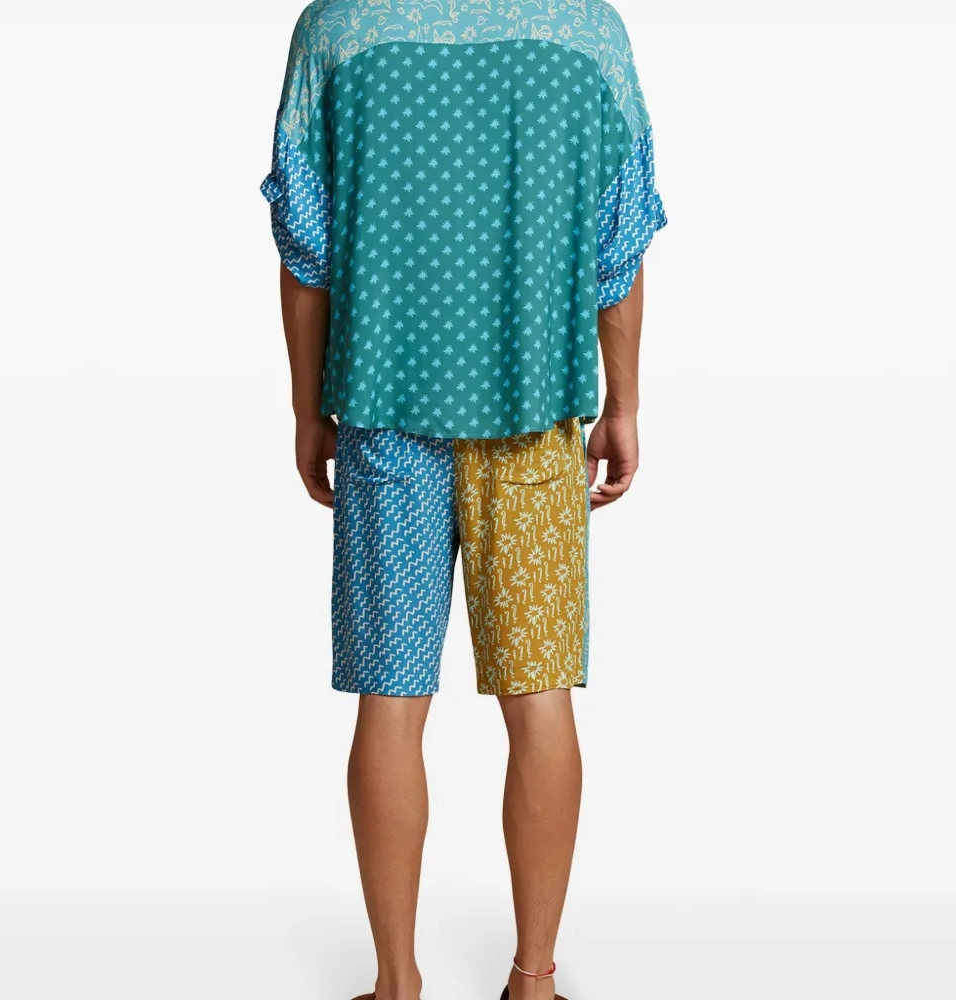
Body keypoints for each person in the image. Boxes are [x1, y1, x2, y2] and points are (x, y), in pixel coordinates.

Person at [261, 2, 666, 997]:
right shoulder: (585, 29)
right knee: (539, 700)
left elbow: (305, 243)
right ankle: (535, 980)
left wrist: (307, 407)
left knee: (391, 700)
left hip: (382, 409)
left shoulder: (339, 26)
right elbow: (618, 245)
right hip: (532, 411)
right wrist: (623, 403)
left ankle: (396, 981)